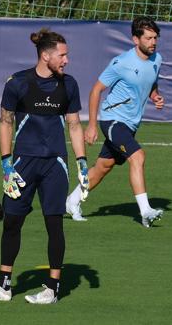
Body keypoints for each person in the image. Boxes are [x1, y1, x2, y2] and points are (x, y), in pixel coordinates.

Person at [0, 28, 88, 304]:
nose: (66, 60)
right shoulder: (17, 83)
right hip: (22, 166)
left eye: (66, 55)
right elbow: (5, 122)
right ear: (45, 55)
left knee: (54, 224)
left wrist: (82, 163)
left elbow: (74, 125)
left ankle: (52, 289)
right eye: (62, 55)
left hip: (55, 166)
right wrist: (6, 164)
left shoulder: (69, 85)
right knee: (11, 222)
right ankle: (5, 285)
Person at [66, 16, 165, 228]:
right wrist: (92, 125)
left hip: (130, 125)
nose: (153, 42)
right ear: (135, 40)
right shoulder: (121, 63)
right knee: (137, 157)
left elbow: (151, 82)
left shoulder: (157, 59)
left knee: (103, 166)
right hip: (112, 120)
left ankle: (72, 201)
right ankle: (145, 210)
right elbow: (95, 91)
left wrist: (155, 96)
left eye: (155, 37)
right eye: (148, 38)